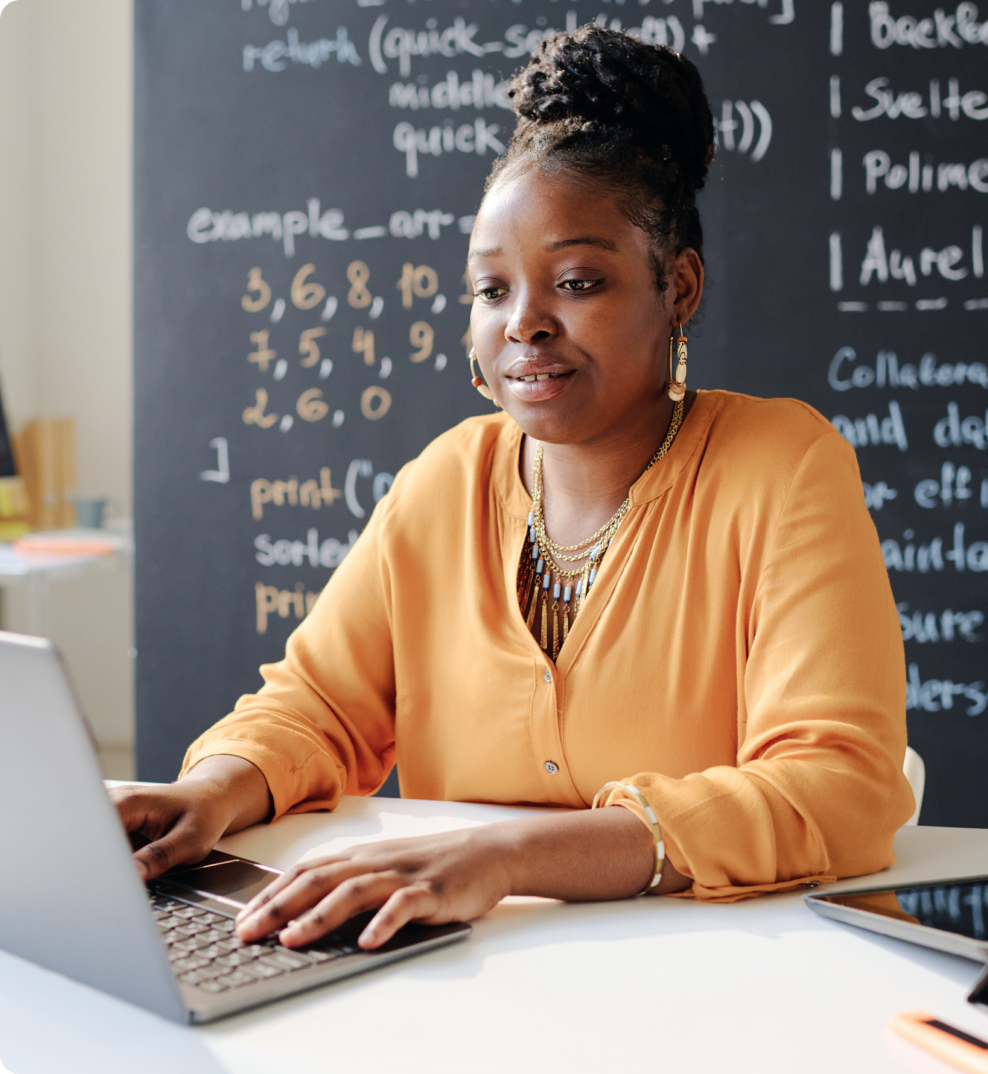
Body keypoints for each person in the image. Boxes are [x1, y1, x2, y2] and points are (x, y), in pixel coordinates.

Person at [113, 26, 913, 953]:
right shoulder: (446, 481)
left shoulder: (782, 466)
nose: (524, 324)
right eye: (491, 291)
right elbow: (313, 707)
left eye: (576, 281)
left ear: (679, 286)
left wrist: (503, 857)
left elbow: (840, 790)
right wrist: (207, 792)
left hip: (724, 990)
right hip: (476, 986)